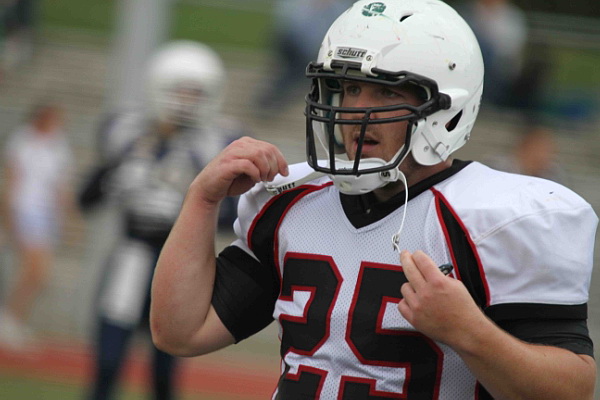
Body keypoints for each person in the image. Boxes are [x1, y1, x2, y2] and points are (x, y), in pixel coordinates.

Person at [150, 1, 598, 399]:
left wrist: (470, 332)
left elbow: (571, 391)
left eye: (385, 92)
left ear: (445, 107)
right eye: (348, 88)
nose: (354, 111)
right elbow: (180, 331)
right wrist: (201, 200)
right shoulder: (294, 201)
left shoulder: (495, 219)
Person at [80, 40, 244, 400]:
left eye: (195, 93)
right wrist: (116, 179)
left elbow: (232, 216)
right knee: (107, 363)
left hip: (180, 261)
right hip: (131, 256)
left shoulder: (216, 142)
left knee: (164, 372)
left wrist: (192, 205)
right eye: (180, 91)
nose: (186, 101)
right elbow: (86, 198)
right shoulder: (128, 133)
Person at [0, 101, 79, 350]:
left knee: (38, 274)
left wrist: (65, 219)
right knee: (34, 269)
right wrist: (8, 217)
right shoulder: (22, 140)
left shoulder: (59, 145)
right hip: (25, 210)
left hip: (46, 216)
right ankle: (9, 319)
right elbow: (12, 180)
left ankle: (13, 318)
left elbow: (60, 187)